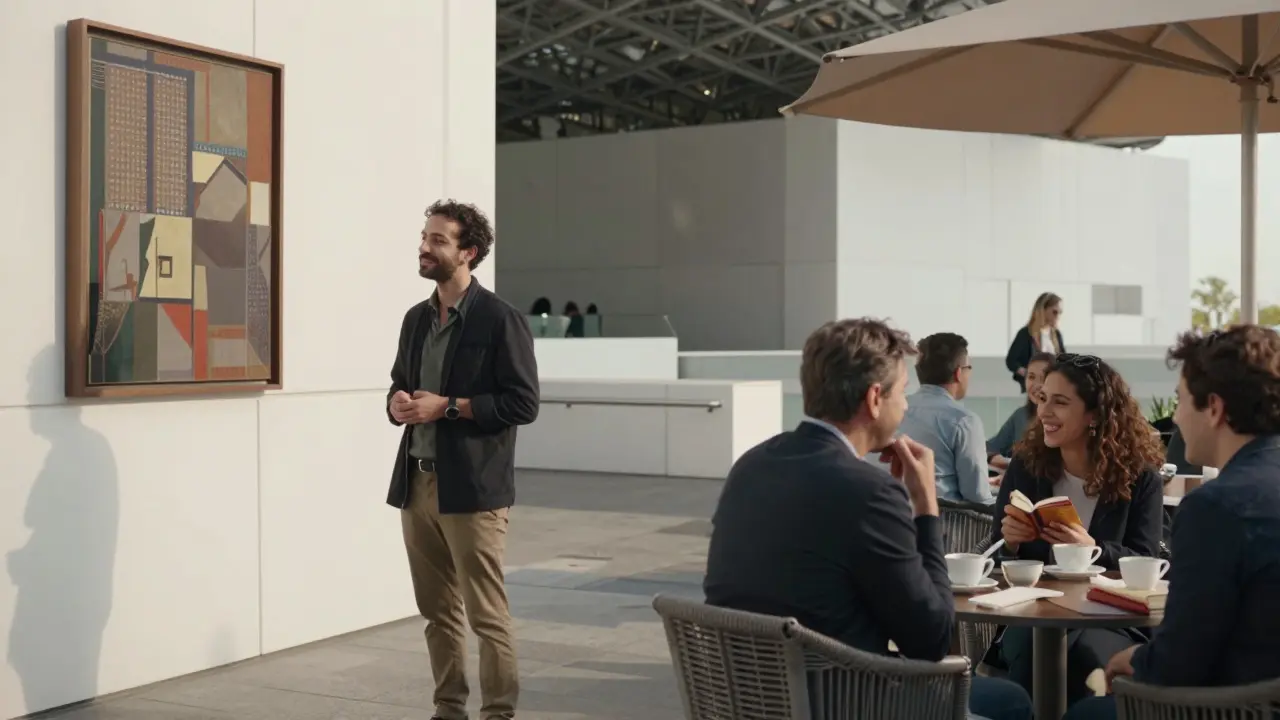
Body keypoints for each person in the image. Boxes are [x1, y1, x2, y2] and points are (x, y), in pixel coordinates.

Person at [704, 318, 1032, 720]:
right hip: (846, 702)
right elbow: (930, 641)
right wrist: (925, 505)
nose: (907, 405)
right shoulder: (870, 493)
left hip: (745, 700)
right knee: (1012, 702)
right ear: (875, 398)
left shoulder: (749, 468)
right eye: (903, 393)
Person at [1064, 326, 1280, 720]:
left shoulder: (1215, 508)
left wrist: (1135, 660)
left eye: (1180, 400)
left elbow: (1181, 660)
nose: (1175, 415)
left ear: (1214, 408)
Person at [385, 199, 540, 720]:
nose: (424, 247)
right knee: (437, 614)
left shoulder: (501, 320)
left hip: (473, 491)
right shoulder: (415, 320)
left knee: (486, 616)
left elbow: (522, 404)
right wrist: (398, 404)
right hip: (418, 486)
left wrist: (447, 407)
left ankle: (498, 713)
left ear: (468, 252)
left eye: (437, 240)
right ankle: (447, 709)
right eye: (424, 237)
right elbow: (398, 385)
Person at [990, 353, 1166, 705]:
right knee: (1032, 650)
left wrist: (1094, 549)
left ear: (1095, 414)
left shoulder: (1140, 476)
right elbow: (997, 550)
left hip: (1109, 620)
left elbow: (1146, 558)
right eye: (1042, 399)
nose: (1044, 413)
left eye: (1060, 402)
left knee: (1081, 655)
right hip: (1034, 613)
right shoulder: (1027, 466)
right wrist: (1009, 543)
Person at [895, 332, 995, 505]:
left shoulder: (894, 410)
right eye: (969, 368)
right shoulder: (964, 421)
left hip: (894, 517)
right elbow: (977, 497)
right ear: (958, 373)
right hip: (944, 525)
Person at [987, 352, 1055, 468]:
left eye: (1044, 378)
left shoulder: (1062, 418)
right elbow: (987, 448)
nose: (1036, 385)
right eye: (1031, 377)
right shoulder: (1020, 416)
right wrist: (995, 458)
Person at [1006, 293, 1064, 391]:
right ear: (1042, 311)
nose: (1057, 316)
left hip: (1052, 387)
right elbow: (1011, 361)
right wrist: (1027, 374)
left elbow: (1063, 361)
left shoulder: (1056, 335)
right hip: (1032, 389)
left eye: (1060, 313)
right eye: (1054, 312)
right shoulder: (1025, 334)